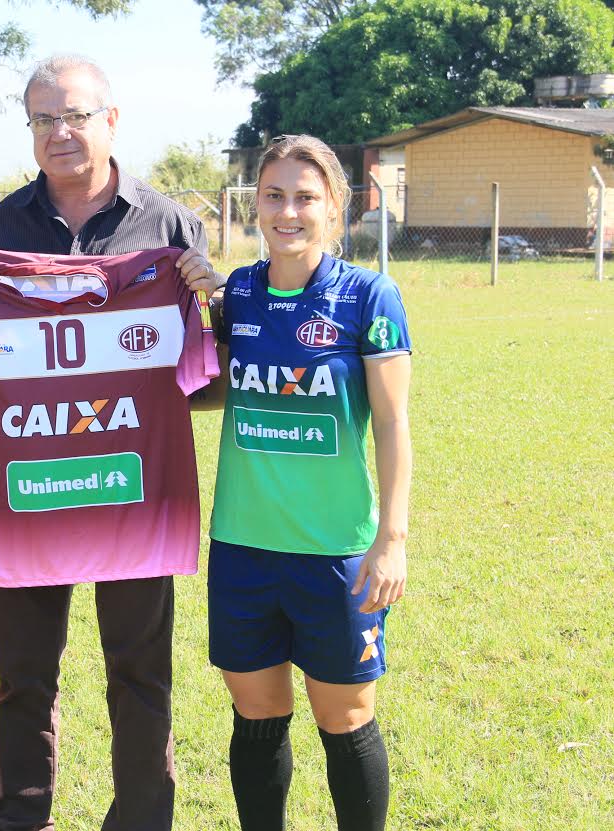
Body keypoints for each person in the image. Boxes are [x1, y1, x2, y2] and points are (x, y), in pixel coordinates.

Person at [0, 54, 223, 831]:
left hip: (134, 487)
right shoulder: (1, 227)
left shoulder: (169, 226)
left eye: (75, 116)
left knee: (140, 672)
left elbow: (207, 383)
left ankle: (144, 819)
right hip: (27, 487)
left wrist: (208, 301)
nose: (60, 132)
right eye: (43, 119)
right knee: (22, 674)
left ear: (111, 121)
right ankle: (19, 818)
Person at [205, 134, 411, 831]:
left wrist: (392, 539)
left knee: (345, 717)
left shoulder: (368, 295)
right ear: (255, 204)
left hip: (336, 552)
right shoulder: (236, 291)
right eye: (274, 195)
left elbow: (391, 423)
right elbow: (216, 388)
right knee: (257, 714)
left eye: (305, 197)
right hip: (243, 546)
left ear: (335, 209)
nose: (287, 210)